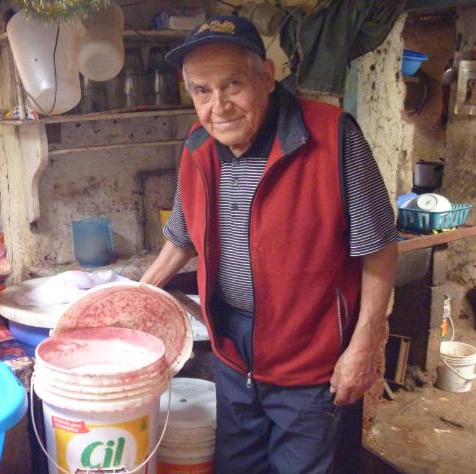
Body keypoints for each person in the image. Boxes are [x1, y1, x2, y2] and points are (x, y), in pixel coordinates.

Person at [140, 15, 398, 473]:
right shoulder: (197, 146)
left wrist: (366, 343)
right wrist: (136, 301)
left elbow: (377, 245)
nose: (219, 106)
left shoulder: (332, 136)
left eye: (232, 84)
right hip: (233, 353)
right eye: (202, 91)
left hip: (310, 356)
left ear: (266, 76)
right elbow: (181, 240)